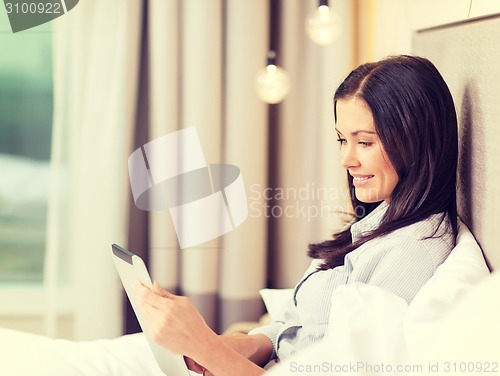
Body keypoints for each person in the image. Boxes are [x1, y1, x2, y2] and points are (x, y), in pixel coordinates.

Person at [135, 55, 459, 376]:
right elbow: (298, 326)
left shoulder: (412, 253)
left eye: (364, 142)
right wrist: (244, 346)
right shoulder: (378, 221)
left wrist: (207, 347)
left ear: (417, 141)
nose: (346, 159)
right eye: (342, 140)